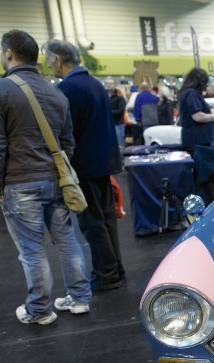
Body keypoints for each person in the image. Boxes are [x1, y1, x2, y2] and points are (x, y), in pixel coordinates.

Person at [0, 30, 91, 324]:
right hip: (57, 180)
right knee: (67, 240)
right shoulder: (55, 91)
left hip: (19, 182)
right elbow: (68, 143)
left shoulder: (0, 89)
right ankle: (80, 298)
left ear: (8, 54)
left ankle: (40, 310)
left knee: (32, 250)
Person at [43, 39, 125, 292]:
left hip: (84, 165)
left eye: (48, 59)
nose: (48, 65)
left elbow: (67, 131)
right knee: (107, 219)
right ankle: (115, 269)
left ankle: (106, 274)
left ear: (57, 59)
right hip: (103, 163)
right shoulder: (94, 83)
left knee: (93, 223)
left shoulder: (69, 88)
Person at [178, 68, 214, 154]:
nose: (205, 86)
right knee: (200, 166)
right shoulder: (191, 93)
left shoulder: (187, 93)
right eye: (205, 83)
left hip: (194, 140)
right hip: (197, 141)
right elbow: (197, 116)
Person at [105, 78, 126, 149]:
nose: (109, 85)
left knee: (119, 144)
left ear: (115, 85)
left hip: (118, 123)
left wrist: (108, 112)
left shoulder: (119, 96)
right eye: (107, 83)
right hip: (106, 124)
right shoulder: (103, 95)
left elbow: (121, 111)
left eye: (111, 83)